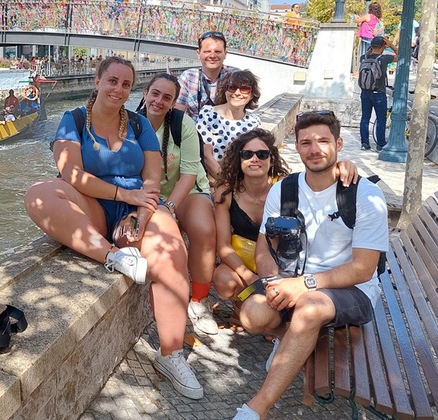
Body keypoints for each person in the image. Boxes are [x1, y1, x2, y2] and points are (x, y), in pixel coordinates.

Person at [25, 56, 204, 400]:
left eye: (126, 84)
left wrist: (140, 215)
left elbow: (153, 177)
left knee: (171, 252)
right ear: (97, 82)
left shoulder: (139, 124)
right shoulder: (74, 120)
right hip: (92, 205)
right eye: (112, 81)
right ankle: (112, 256)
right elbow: (72, 174)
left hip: (136, 206)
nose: (119, 89)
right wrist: (123, 194)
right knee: (39, 194)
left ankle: (171, 354)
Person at [232, 111, 388, 419]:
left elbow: (363, 269)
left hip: (351, 288)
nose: (314, 149)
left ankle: (256, 408)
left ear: (338, 144)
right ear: (297, 147)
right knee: (252, 314)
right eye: (306, 142)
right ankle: (293, 341)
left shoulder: (365, 195)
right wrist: (273, 282)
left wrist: (304, 285)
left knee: (310, 308)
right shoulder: (284, 190)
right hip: (292, 279)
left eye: (323, 141)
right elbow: (264, 247)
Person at [137, 72, 219, 336]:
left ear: (173, 103)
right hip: (149, 195)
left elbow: (189, 173)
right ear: (145, 94)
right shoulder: (131, 124)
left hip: (187, 190)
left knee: (204, 229)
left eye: (167, 97)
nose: (159, 101)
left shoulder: (182, 124)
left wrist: (170, 207)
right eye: (155, 93)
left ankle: (199, 301)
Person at [211, 129, 290, 326]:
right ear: (239, 159)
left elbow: (317, 182)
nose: (254, 159)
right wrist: (250, 278)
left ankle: (272, 317)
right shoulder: (226, 192)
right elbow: (223, 246)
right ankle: (242, 306)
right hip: (242, 259)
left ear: (272, 159)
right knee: (224, 281)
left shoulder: (284, 187)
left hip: (277, 261)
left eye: (262, 154)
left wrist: (342, 167)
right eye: (247, 154)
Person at [196, 70, 261, 180]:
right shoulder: (208, 114)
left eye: (244, 89)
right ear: (225, 91)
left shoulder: (254, 122)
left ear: (251, 95)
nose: (237, 93)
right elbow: (206, 155)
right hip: (212, 179)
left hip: (242, 179)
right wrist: (227, 183)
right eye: (232, 87)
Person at [175, 31, 239, 121]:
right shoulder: (188, 77)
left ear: (225, 54)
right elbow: (177, 115)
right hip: (195, 129)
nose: (212, 55)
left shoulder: (235, 75)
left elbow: (242, 110)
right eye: (207, 51)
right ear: (198, 54)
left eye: (217, 52)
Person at [359, 36, 397, 152]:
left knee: (365, 117)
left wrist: (371, 49)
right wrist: (391, 45)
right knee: (381, 119)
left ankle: (364, 143)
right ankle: (380, 144)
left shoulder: (363, 58)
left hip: (365, 92)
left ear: (371, 45)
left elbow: (366, 54)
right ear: (383, 46)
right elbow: (401, 56)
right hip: (379, 93)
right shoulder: (384, 58)